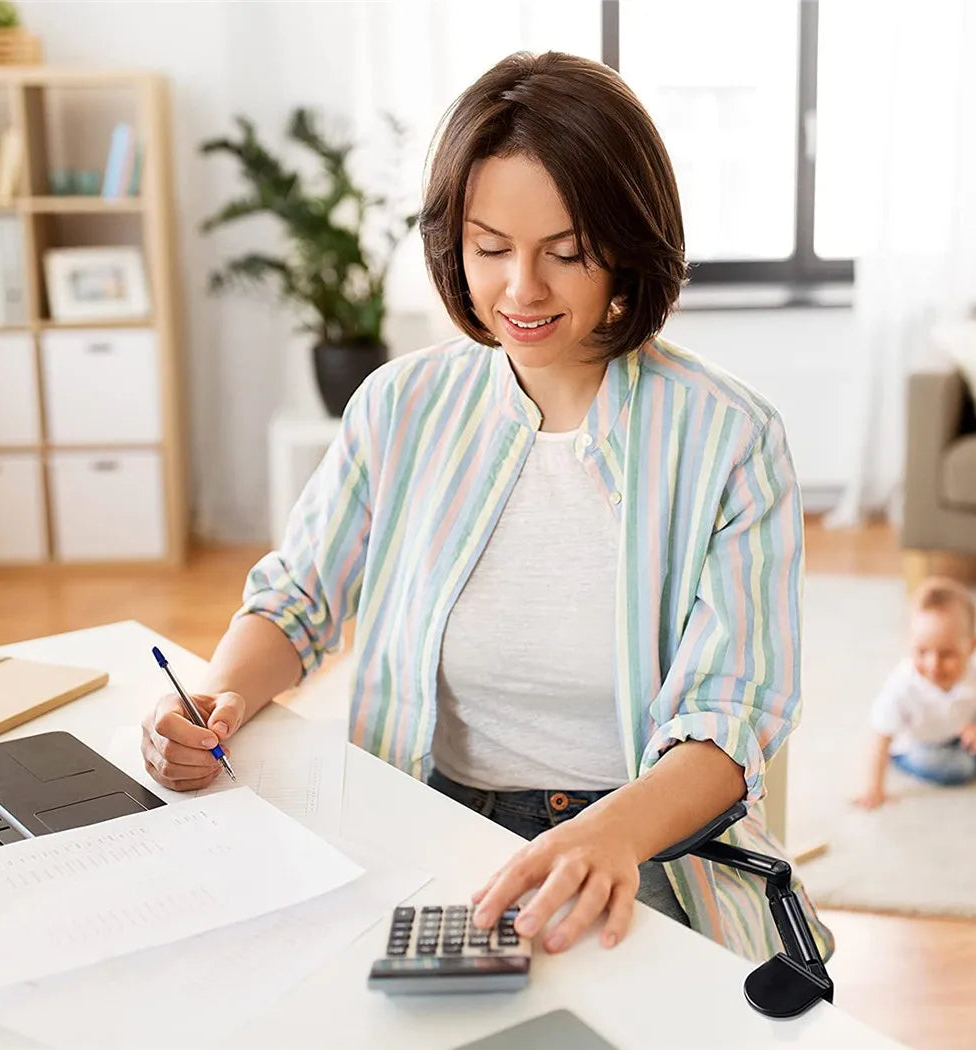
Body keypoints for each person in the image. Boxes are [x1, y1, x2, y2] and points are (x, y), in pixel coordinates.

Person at [141, 50, 833, 963]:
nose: (523, 291)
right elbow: (297, 599)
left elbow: (731, 714)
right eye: (491, 250)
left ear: (627, 243)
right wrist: (218, 697)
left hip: (639, 845)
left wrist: (611, 836)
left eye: (567, 252)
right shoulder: (402, 406)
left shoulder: (729, 437)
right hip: (422, 817)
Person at [854, 577, 976, 809]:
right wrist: (873, 788)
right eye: (921, 652)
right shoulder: (902, 687)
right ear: (908, 643)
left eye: (947, 654)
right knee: (962, 767)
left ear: (972, 646)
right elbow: (880, 738)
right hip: (918, 744)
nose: (933, 664)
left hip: (959, 728)